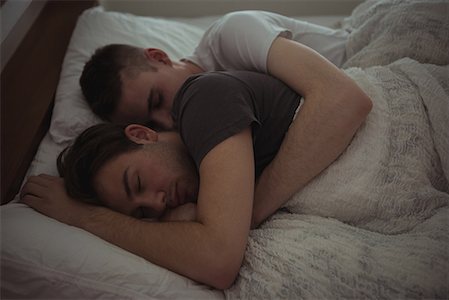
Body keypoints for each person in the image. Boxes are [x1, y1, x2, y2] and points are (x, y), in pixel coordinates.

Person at [21, 70, 371, 289]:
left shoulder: (200, 102)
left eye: (138, 183)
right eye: (143, 213)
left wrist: (86, 219)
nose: (157, 204)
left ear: (142, 134)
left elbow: (218, 260)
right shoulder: (203, 189)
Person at [78, 11, 371, 226]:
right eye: (152, 122)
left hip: (366, 57)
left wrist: (248, 212)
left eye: (157, 100)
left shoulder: (230, 36)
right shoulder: (192, 149)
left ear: (158, 56)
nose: (167, 122)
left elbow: (343, 98)